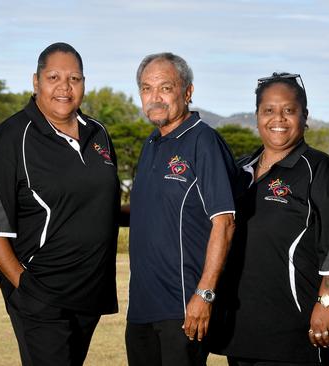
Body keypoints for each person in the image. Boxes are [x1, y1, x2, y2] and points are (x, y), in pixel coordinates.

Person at [209, 73, 329, 366]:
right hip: (241, 327)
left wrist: (326, 303)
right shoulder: (239, 170)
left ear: (305, 116)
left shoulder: (321, 170)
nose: (278, 118)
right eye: (268, 110)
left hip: (296, 328)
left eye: (289, 110)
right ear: (256, 116)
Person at [0, 42, 119, 366]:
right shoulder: (12, 137)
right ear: (35, 81)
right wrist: (25, 287)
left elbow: (101, 204)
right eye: (54, 77)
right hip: (41, 293)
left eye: (74, 79)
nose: (64, 87)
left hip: (89, 294)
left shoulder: (98, 134)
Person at [125, 52, 236, 366]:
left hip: (183, 309)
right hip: (142, 311)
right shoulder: (150, 145)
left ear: (187, 92)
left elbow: (225, 223)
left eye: (165, 88)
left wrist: (204, 295)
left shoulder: (204, 142)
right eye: (147, 89)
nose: (155, 97)